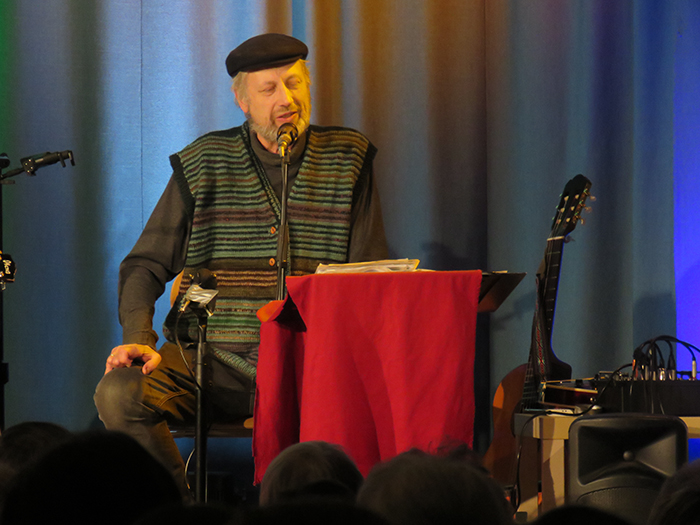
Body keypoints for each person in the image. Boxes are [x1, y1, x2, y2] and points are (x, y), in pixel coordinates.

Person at [94, 32, 388, 494]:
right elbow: (144, 264)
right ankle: (176, 509)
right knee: (118, 393)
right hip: (208, 363)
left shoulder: (348, 157)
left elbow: (368, 275)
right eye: (269, 89)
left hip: (310, 366)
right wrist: (138, 338)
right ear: (242, 101)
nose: (286, 99)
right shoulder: (205, 161)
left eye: (295, 83)